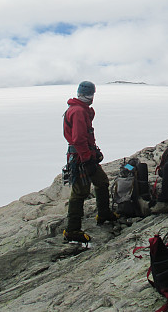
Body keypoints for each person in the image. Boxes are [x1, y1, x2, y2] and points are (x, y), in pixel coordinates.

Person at [63, 81, 117, 244]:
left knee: (101, 182)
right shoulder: (79, 111)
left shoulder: (78, 109)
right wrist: (88, 159)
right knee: (80, 192)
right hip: (81, 158)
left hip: (83, 155)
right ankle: (72, 230)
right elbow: (79, 139)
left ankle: (104, 213)